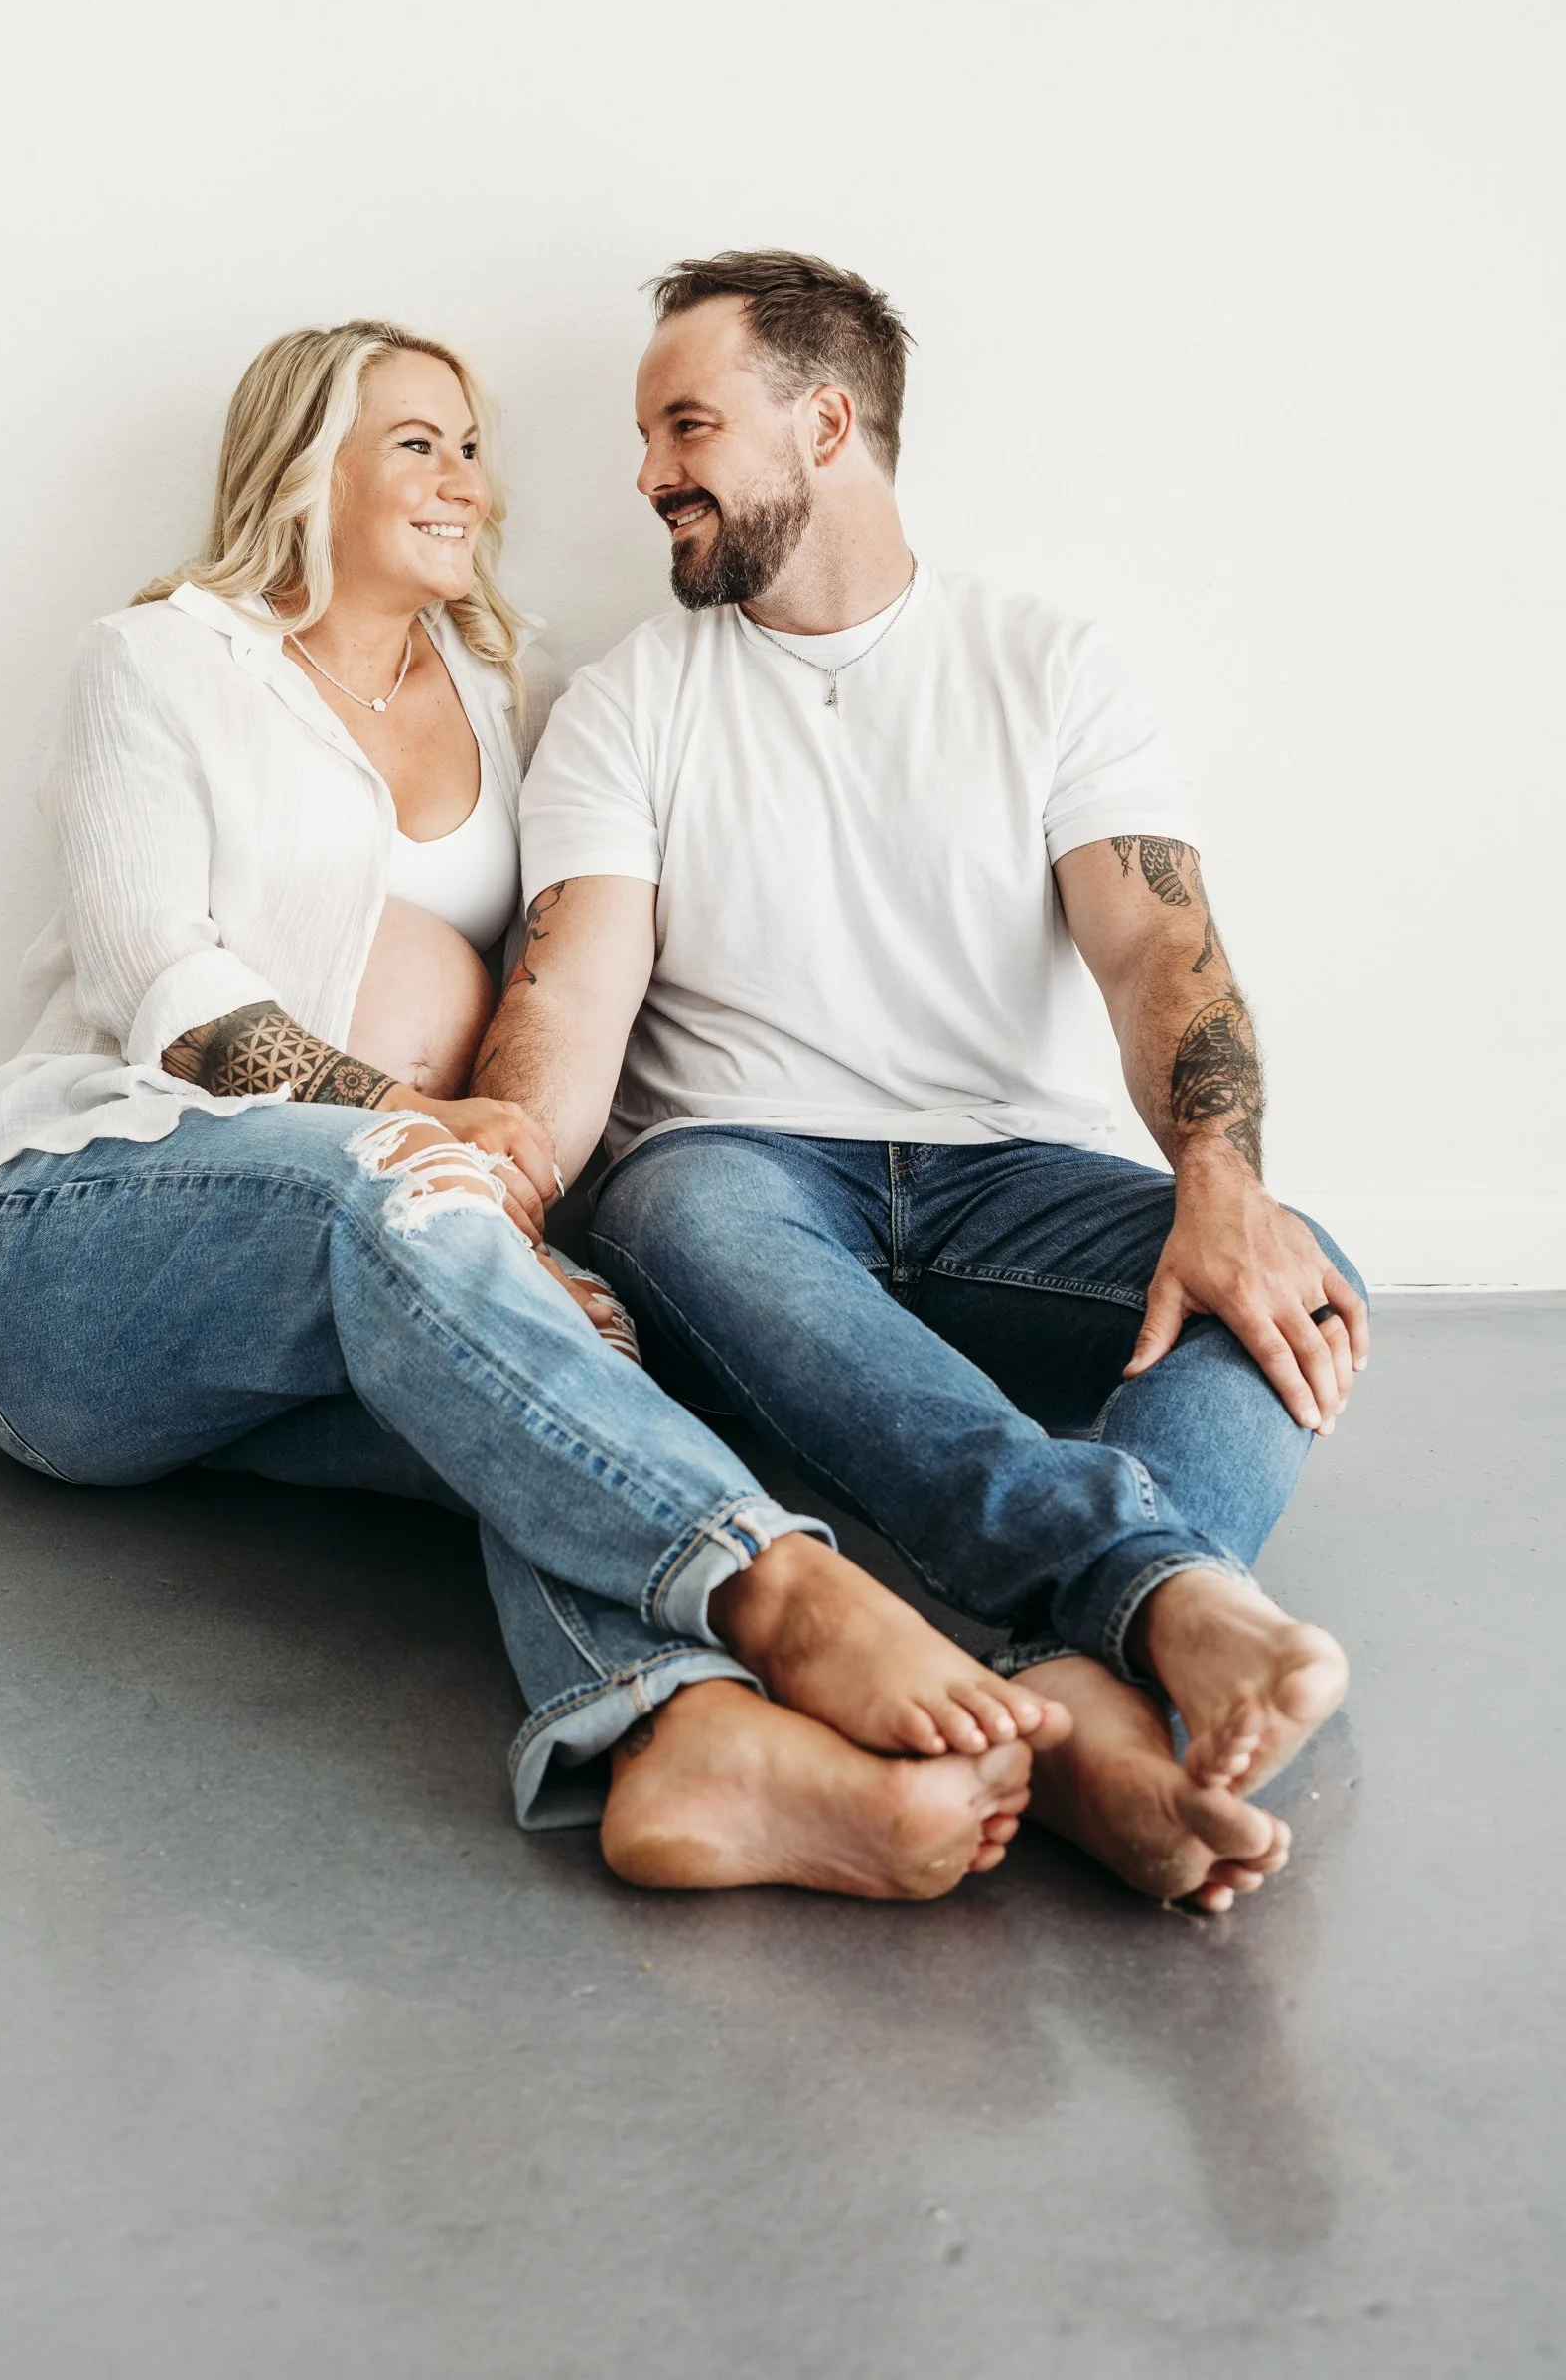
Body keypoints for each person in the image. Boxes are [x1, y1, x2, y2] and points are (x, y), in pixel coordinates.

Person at [0, 316, 1065, 1900]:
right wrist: (418, 1126)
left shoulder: (484, 680)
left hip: (357, 1277)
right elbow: (159, 984)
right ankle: (781, 1590)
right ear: (305, 463)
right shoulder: (164, 659)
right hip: (73, 1252)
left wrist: (544, 1196)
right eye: (418, 443)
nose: (469, 480)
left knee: (558, 1386)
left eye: (472, 444)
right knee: (395, 1188)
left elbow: (561, 981)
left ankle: (676, 1737)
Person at [471, 251, 1369, 1916]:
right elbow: (567, 1002)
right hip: (738, 1187)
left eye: (688, 423)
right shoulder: (628, 704)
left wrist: (1223, 1192)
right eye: (646, 434)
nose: (650, 472)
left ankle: (1088, 1690)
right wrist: (510, 1188)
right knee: (676, 1203)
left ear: (828, 422)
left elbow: (1158, 951)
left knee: (1297, 1270)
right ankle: (1151, 1608)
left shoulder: (1047, 663)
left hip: (1002, 1179)